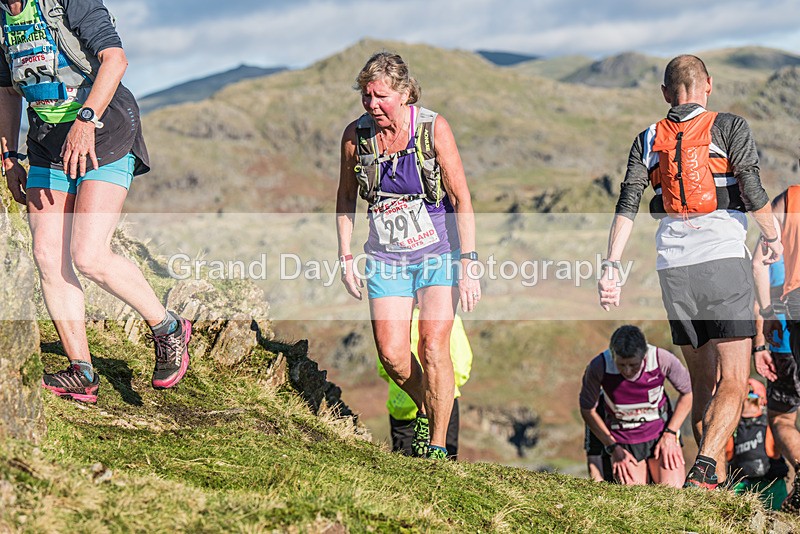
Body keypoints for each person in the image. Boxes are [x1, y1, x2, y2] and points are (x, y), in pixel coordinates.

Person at [598, 54, 782, 489]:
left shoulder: (647, 137)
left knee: (703, 386)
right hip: (722, 261)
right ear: (708, 86)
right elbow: (752, 188)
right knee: (735, 380)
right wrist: (772, 236)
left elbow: (627, 203)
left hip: (673, 270)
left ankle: (709, 491)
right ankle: (705, 465)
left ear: (666, 94)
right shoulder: (730, 126)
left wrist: (611, 265)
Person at [0, 0, 191, 403]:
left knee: (88, 254)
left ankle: (168, 327)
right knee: (48, 255)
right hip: (47, 143)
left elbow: (115, 60)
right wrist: (8, 155)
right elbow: (5, 89)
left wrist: (85, 121)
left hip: (104, 131)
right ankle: (81, 371)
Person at [336, 51, 480, 460]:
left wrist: (468, 262)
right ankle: (428, 408)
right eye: (366, 96)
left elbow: (460, 197)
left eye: (380, 96)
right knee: (394, 354)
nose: (372, 104)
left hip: (438, 251)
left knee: (434, 345)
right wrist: (345, 255)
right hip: (386, 257)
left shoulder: (433, 128)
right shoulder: (355, 136)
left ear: (403, 93)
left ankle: (436, 446)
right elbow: (346, 198)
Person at [579, 325, 692, 487]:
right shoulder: (599, 366)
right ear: (613, 355)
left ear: (644, 355)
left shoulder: (662, 359)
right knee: (636, 500)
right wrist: (613, 447)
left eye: (633, 364)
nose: (627, 371)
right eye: (621, 365)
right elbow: (587, 410)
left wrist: (670, 434)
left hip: (660, 435)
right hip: (624, 441)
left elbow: (688, 393)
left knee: (673, 494)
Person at [752, 187, 800, 512]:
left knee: (782, 418)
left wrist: (761, 335)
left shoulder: (789, 201)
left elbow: (758, 266)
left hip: (785, 334)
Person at [377, 307, 472, 458]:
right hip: (444, 403)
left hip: (402, 407)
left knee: (405, 461)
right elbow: (461, 366)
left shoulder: (396, 319)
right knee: (446, 458)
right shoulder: (448, 317)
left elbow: (384, 366)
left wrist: (405, 386)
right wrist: (444, 387)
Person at [725, 378, 789, 510]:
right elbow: (728, 454)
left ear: (762, 401)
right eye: (742, 396)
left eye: (751, 396)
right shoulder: (733, 426)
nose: (746, 400)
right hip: (742, 484)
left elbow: (776, 449)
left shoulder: (769, 423)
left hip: (771, 484)